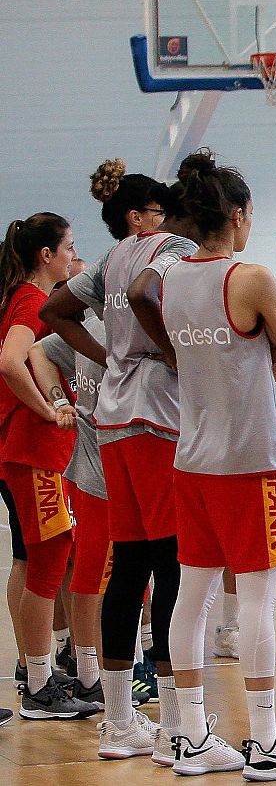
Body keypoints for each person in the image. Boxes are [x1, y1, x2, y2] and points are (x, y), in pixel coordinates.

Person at [153, 154, 276, 777]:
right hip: (249, 463)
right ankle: (265, 740)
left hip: (192, 459)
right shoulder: (251, 277)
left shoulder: (173, 279)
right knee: (259, 601)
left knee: (192, 595)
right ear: (238, 216)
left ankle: (189, 734)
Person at [44, 157, 200, 761]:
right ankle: (176, 721)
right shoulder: (172, 248)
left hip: (111, 421)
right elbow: (144, 296)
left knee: (130, 564)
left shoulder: (108, 259)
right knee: (169, 563)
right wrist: (170, 351)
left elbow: (55, 311)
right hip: (157, 416)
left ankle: (117, 723)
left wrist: (108, 355)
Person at [0, 212, 98, 720]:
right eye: (69, 246)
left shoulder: (26, 298)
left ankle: (33, 665)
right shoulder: (33, 302)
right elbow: (10, 360)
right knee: (47, 563)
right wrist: (47, 408)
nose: (71, 254)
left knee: (31, 561)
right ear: (47, 255)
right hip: (33, 451)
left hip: (28, 452)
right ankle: (38, 686)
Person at [30, 286, 110, 714]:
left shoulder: (95, 327)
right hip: (100, 464)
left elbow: (38, 352)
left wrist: (60, 401)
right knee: (91, 569)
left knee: (103, 570)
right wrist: (58, 401)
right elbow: (32, 353)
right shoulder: (90, 328)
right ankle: (90, 673)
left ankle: (100, 669)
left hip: (106, 463)